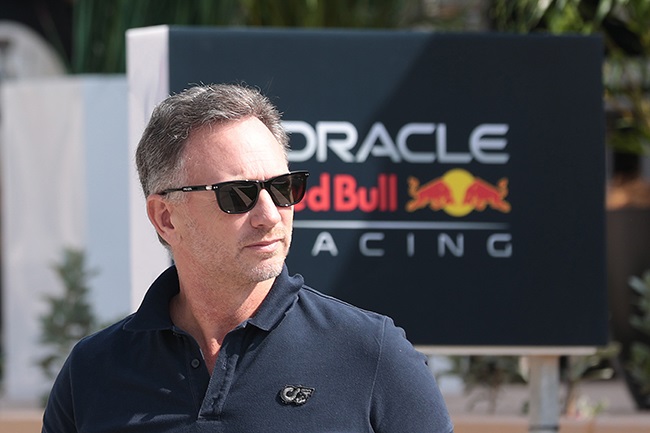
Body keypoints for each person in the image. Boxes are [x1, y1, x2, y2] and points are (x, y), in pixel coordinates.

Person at [42, 83, 454, 433]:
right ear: (165, 217)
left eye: (283, 188)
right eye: (236, 195)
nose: (270, 215)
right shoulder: (93, 372)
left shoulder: (372, 355)